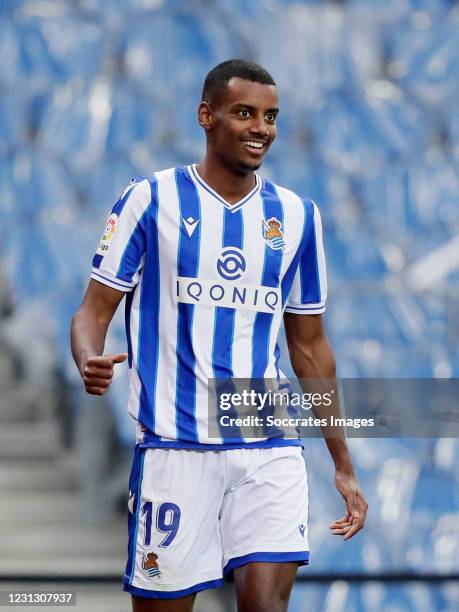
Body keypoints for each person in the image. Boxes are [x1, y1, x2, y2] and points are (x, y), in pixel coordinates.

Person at [71, 59, 368, 612]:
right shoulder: (150, 200)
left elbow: (309, 349)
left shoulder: (299, 217)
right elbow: (92, 311)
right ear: (206, 116)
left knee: (265, 604)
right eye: (245, 113)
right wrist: (88, 357)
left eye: (271, 116)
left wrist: (342, 462)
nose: (261, 127)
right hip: (175, 447)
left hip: (268, 442)